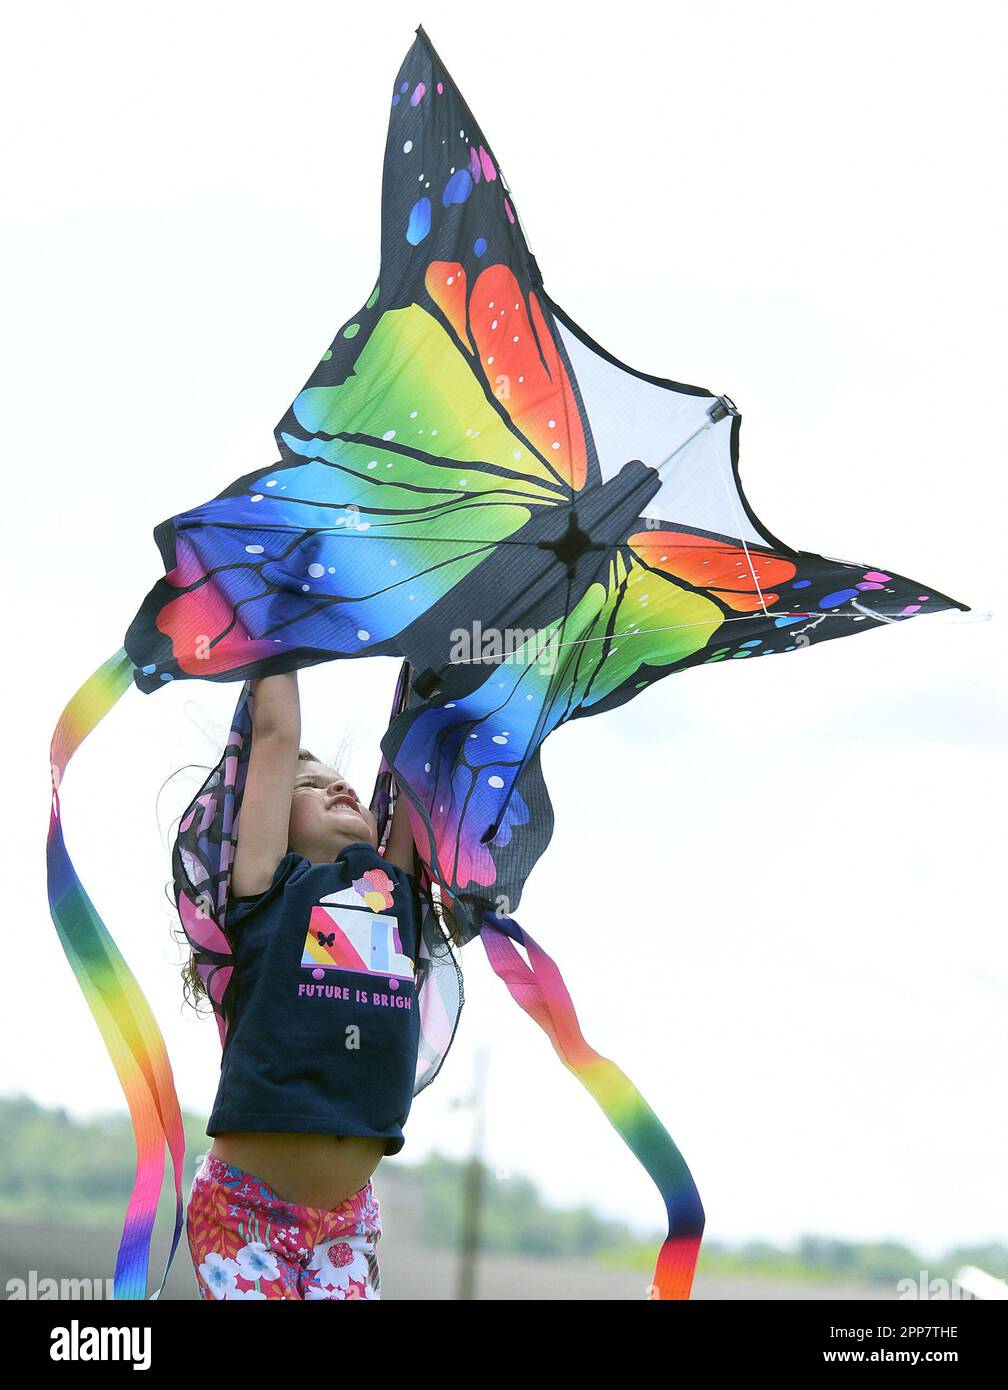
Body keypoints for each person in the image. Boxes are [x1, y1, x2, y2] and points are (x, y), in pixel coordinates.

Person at [183, 670, 431, 1300]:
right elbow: (275, 731)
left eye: (341, 782)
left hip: (346, 1225)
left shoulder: (392, 895)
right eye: (310, 786)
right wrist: (276, 621)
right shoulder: (268, 889)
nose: (340, 786)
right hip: (246, 1216)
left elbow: (414, 760)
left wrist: (435, 649)